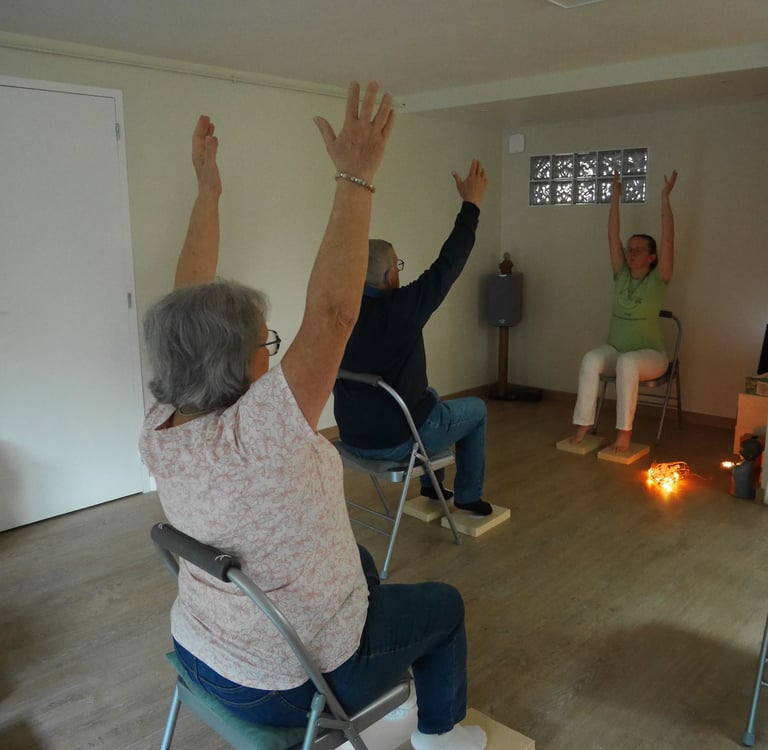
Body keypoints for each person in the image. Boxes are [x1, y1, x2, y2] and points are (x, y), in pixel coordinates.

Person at [138, 82, 487, 750]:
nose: (272, 355)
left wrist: (208, 191)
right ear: (243, 365)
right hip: (289, 685)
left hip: (203, 651)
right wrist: (356, 177)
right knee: (444, 606)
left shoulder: (161, 420)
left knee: (360, 561)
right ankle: (444, 737)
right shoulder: (258, 434)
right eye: (266, 346)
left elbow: (187, 297)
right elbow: (333, 313)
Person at [334, 160, 492, 517]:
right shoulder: (402, 309)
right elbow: (447, 265)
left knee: (429, 396)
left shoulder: (341, 312)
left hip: (352, 436)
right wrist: (472, 204)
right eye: (397, 266)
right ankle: (467, 496)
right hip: (397, 441)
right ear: (390, 274)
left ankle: (430, 487)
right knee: (477, 410)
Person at [570, 169, 678, 452]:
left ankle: (624, 435)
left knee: (628, 362)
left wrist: (664, 198)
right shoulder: (621, 275)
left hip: (651, 356)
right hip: (616, 349)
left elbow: (668, 241)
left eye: (638, 250)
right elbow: (612, 236)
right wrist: (614, 198)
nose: (630, 254)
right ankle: (583, 426)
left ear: (651, 256)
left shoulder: (659, 278)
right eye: (629, 249)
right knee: (591, 359)